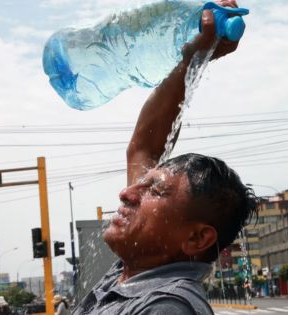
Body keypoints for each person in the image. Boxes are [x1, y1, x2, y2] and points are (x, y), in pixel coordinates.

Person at [71, 1, 257, 314]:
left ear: (197, 238)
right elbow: (145, 145)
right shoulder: (133, 274)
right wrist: (194, 57)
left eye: (155, 191)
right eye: (144, 185)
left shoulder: (165, 307)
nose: (127, 193)